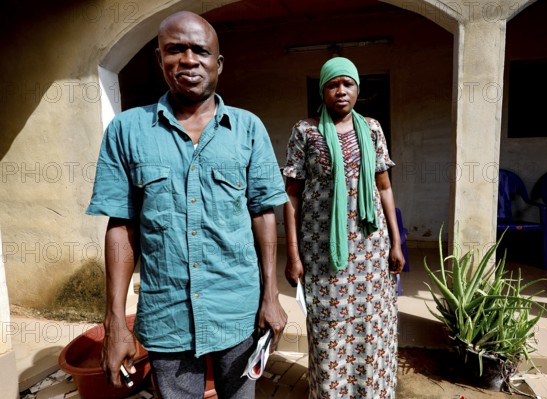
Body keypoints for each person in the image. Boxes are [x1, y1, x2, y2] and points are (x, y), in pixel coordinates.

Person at [86, 11, 288, 399]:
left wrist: (272, 295)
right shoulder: (127, 130)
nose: (189, 60)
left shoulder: (248, 129)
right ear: (159, 58)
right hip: (167, 313)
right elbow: (121, 224)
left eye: (201, 51)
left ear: (219, 63)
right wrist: (115, 321)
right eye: (176, 49)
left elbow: (263, 213)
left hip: (238, 310)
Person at [283, 57, 405, 398]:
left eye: (347, 84)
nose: (340, 91)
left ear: (357, 89)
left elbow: (384, 187)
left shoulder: (372, 129)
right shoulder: (305, 131)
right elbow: (291, 195)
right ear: (322, 90)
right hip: (323, 251)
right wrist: (292, 255)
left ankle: (372, 392)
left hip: (370, 250)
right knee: (329, 327)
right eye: (332, 84)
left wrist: (396, 242)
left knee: (372, 327)